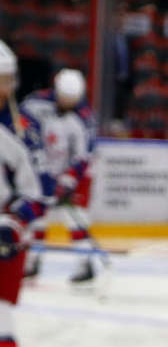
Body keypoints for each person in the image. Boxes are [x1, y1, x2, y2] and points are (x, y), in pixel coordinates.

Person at [0, 40, 47, 347]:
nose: (6, 87)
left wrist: (14, 223)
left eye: (8, 79)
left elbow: (38, 191)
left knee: (0, 322)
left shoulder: (23, 129)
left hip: (5, 244)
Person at [22, 69, 100, 285]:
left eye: (72, 99)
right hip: (43, 168)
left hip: (75, 172)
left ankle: (86, 264)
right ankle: (32, 262)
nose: (67, 103)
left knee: (74, 217)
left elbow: (85, 155)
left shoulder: (85, 117)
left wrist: (69, 179)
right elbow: (19, 123)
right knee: (38, 216)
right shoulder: (34, 103)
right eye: (64, 97)